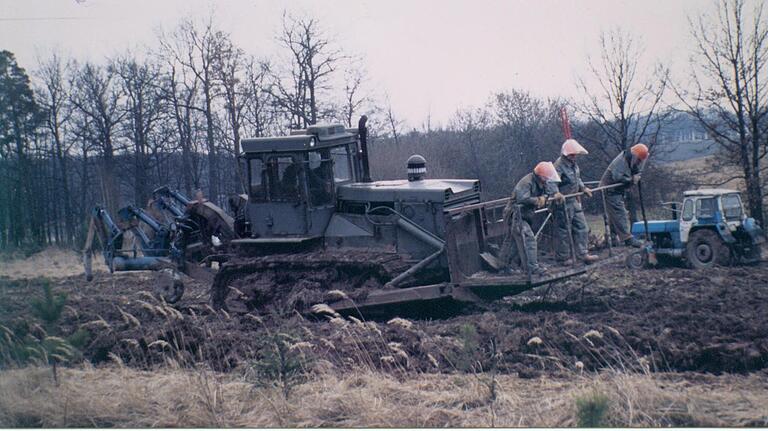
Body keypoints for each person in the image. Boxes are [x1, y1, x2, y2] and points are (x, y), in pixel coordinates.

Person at [500, 161, 564, 276]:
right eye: (546, 178)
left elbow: (548, 191)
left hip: (524, 215)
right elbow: (522, 199)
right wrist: (538, 200)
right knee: (529, 239)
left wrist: (555, 194)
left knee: (513, 242)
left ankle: (503, 267)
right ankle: (532, 268)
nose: (547, 180)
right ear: (541, 176)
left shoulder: (540, 182)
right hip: (515, 215)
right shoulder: (526, 182)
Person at [554, 139, 599, 264]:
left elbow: (576, 178)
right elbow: (551, 181)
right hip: (562, 201)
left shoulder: (574, 164)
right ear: (566, 154)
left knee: (582, 226)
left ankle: (582, 254)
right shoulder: (559, 165)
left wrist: (583, 188)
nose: (575, 157)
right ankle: (563, 257)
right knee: (564, 230)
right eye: (572, 154)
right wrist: (556, 193)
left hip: (573, 199)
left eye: (575, 154)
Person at [599, 143, 649, 248]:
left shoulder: (629, 159)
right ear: (635, 156)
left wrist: (635, 175)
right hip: (610, 189)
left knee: (613, 216)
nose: (639, 163)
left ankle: (611, 239)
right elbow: (618, 177)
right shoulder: (622, 161)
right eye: (639, 160)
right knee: (620, 213)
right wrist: (632, 180)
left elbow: (633, 170)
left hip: (617, 190)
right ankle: (627, 239)